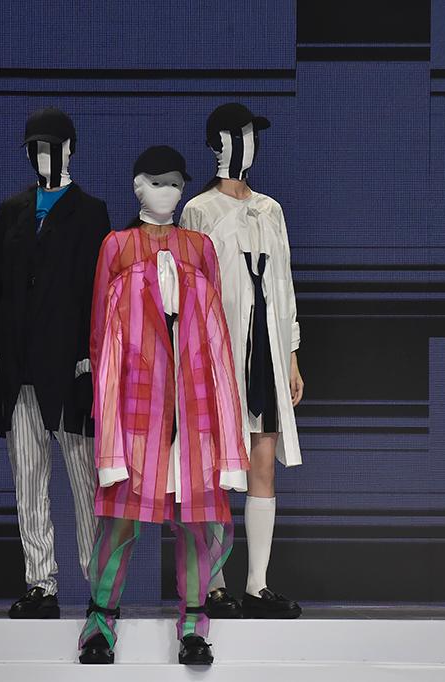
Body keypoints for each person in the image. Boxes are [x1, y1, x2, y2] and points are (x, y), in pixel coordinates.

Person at [77, 145, 249, 665]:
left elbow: (215, 336)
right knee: (120, 517)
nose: (168, 192)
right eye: (157, 181)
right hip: (136, 404)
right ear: (137, 187)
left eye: (176, 183)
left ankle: (194, 627)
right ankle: (100, 623)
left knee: (194, 520)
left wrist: (224, 425)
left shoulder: (199, 247)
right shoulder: (117, 245)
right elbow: (100, 336)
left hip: (192, 406)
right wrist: (106, 416)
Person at [0, 106, 110, 618]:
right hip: (19, 366)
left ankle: (100, 589)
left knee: (85, 482)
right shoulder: (12, 210)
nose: (42, 154)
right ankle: (40, 584)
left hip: (69, 367)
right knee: (28, 480)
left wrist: (89, 362)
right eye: (35, 147)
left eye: (50, 145)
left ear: (70, 149)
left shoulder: (91, 213)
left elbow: (98, 295)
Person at [179, 103, 305, 619]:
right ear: (219, 144)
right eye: (241, 134)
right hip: (219, 351)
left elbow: (285, 284)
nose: (250, 144)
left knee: (263, 459)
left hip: (266, 351)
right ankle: (214, 584)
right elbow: (190, 290)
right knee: (214, 467)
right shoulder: (198, 210)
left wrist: (291, 355)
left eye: (253, 135)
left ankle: (258, 585)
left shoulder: (271, 209)